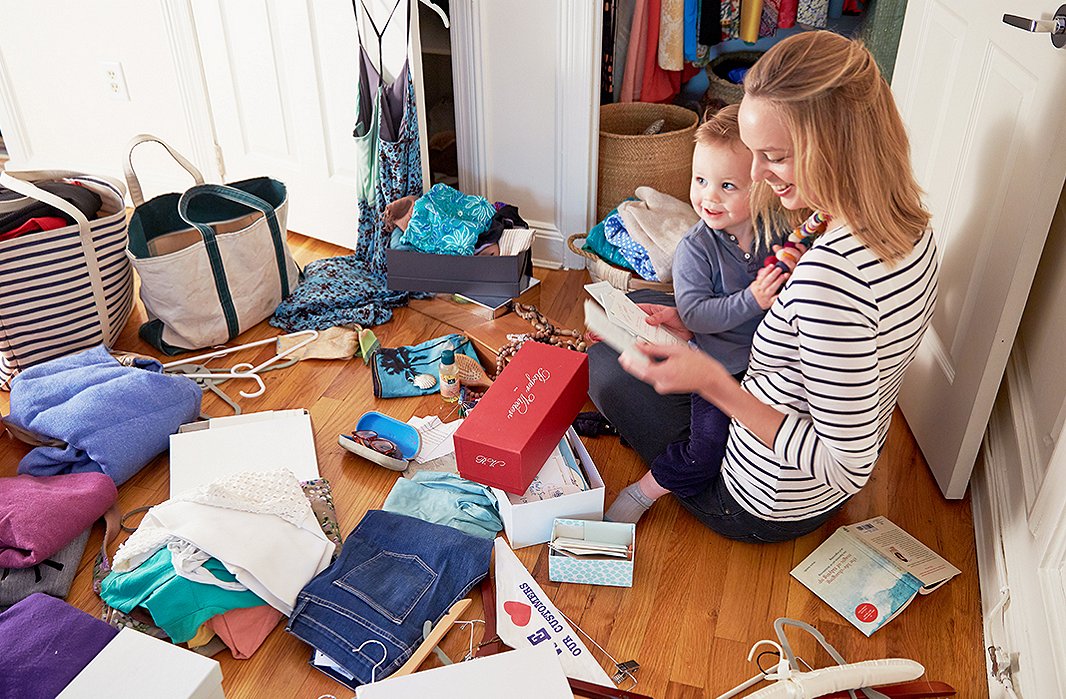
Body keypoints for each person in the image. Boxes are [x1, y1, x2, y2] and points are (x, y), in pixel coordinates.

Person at [588, 30, 939, 543]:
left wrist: (711, 382)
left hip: (762, 501)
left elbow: (846, 467)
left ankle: (652, 484)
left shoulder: (831, 282)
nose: (756, 174)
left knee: (603, 366)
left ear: (832, 145)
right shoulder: (908, 226)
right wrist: (694, 325)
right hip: (784, 431)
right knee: (643, 305)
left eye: (773, 156)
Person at [603, 103, 789, 523]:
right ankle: (644, 491)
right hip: (716, 365)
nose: (708, 196)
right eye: (700, 180)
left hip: (766, 364)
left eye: (727, 185)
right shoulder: (695, 248)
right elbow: (699, 315)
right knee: (705, 449)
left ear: (762, 185)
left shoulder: (774, 233)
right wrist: (753, 300)